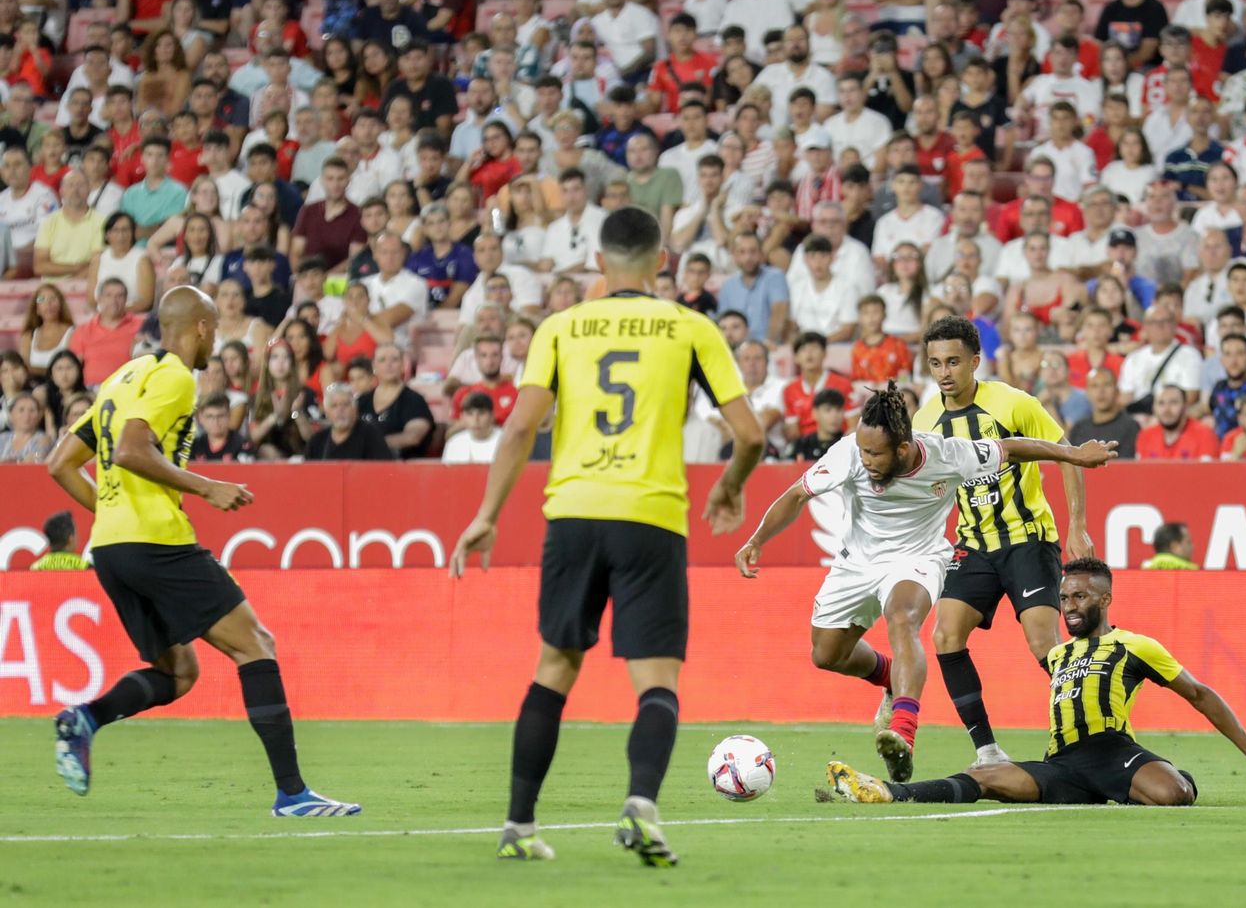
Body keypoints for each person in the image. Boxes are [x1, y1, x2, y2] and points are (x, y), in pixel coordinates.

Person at [449, 207, 764, 866]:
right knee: (657, 681)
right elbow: (752, 435)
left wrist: (486, 514)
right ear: (660, 262)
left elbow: (517, 430)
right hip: (649, 517)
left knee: (554, 669)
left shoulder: (560, 326)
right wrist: (732, 484)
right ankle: (641, 806)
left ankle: (518, 826)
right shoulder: (689, 327)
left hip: (572, 514)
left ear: (599, 263)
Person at [44, 285, 358, 817]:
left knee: (179, 673)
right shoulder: (174, 379)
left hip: (113, 550)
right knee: (255, 643)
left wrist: (113, 511)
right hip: (157, 541)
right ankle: (292, 795)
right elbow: (130, 449)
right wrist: (206, 486)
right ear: (203, 329)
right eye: (214, 328)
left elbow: (59, 463)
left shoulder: (124, 376)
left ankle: (87, 719)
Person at [736, 382, 1114, 783]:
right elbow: (797, 495)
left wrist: (1073, 454)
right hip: (857, 562)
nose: (865, 460)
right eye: (863, 450)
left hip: (919, 558)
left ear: (903, 448)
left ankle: (902, 731)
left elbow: (1015, 447)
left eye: (874, 453)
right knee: (826, 654)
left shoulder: (946, 454)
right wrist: (757, 539)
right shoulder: (848, 454)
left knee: (903, 618)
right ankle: (887, 675)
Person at [827, 557, 1246, 808]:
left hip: (1113, 752)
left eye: (1080, 596)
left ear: (1105, 598)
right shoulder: (1058, 655)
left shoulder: (1135, 646)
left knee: (1175, 794)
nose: (1069, 606)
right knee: (984, 777)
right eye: (1064, 598)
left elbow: (1200, 695)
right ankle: (886, 792)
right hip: (1062, 764)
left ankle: (1171, 776)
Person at [911, 316, 1094, 765]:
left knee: (1041, 643)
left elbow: (1066, 454)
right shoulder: (926, 418)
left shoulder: (1013, 404)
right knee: (946, 635)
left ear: (975, 361)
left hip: (1028, 539)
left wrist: (1077, 525)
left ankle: (1085, 737)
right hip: (972, 543)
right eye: (935, 363)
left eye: (953, 362)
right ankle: (988, 751)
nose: (944, 373)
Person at [303, 381, 394, 461]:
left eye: (345, 404)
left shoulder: (371, 435)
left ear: (355, 408)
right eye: (334, 406)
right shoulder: (317, 442)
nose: (340, 410)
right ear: (326, 412)